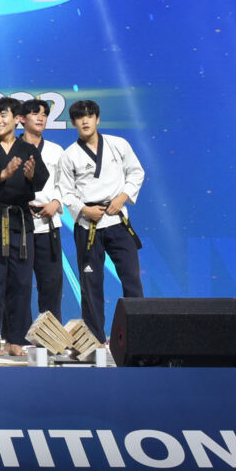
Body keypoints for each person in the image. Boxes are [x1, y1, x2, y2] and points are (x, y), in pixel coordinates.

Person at [57, 99, 146, 344]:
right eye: (79, 117)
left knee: (132, 280)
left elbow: (136, 172)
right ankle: (95, 341)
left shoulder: (119, 145)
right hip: (89, 226)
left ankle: (138, 337)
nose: (85, 120)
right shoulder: (69, 156)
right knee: (91, 285)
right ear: (73, 123)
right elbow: (65, 192)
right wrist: (84, 209)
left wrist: (123, 197)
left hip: (117, 220)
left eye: (89, 116)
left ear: (97, 119)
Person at [0, 96, 49, 357]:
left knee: (22, 282)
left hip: (21, 222)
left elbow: (41, 179)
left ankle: (16, 339)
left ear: (17, 119)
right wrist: (2, 174)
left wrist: (29, 176)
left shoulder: (28, 150)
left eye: (3, 115)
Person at [19, 98, 65, 320]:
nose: (41, 118)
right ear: (21, 118)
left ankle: (51, 336)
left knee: (51, 283)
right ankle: (17, 337)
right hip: (20, 223)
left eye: (44, 114)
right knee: (19, 283)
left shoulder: (56, 151)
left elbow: (65, 184)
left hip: (49, 224)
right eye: (35, 113)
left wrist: (56, 203)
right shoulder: (10, 149)